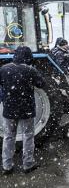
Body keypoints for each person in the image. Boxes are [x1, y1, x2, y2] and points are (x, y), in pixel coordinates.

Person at [0, 46, 45, 175]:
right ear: (28, 56)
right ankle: (28, 164)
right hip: (27, 110)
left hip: (9, 110)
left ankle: (7, 166)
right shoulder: (30, 70)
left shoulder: (3, 69)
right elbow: (41, 84)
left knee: (8, 137)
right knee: (28, 136)